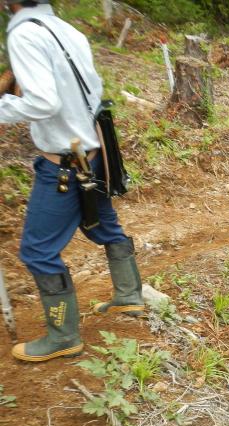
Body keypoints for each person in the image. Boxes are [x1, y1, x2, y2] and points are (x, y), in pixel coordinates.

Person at [0, 0, 144, 362]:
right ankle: (129, 296)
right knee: (106, 227)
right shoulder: (69, 31)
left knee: (37, 251)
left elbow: (43, 103)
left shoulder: (24, 33)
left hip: (62, 164)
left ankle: (63, 335)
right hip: (94, 154)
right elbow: (92, 91)